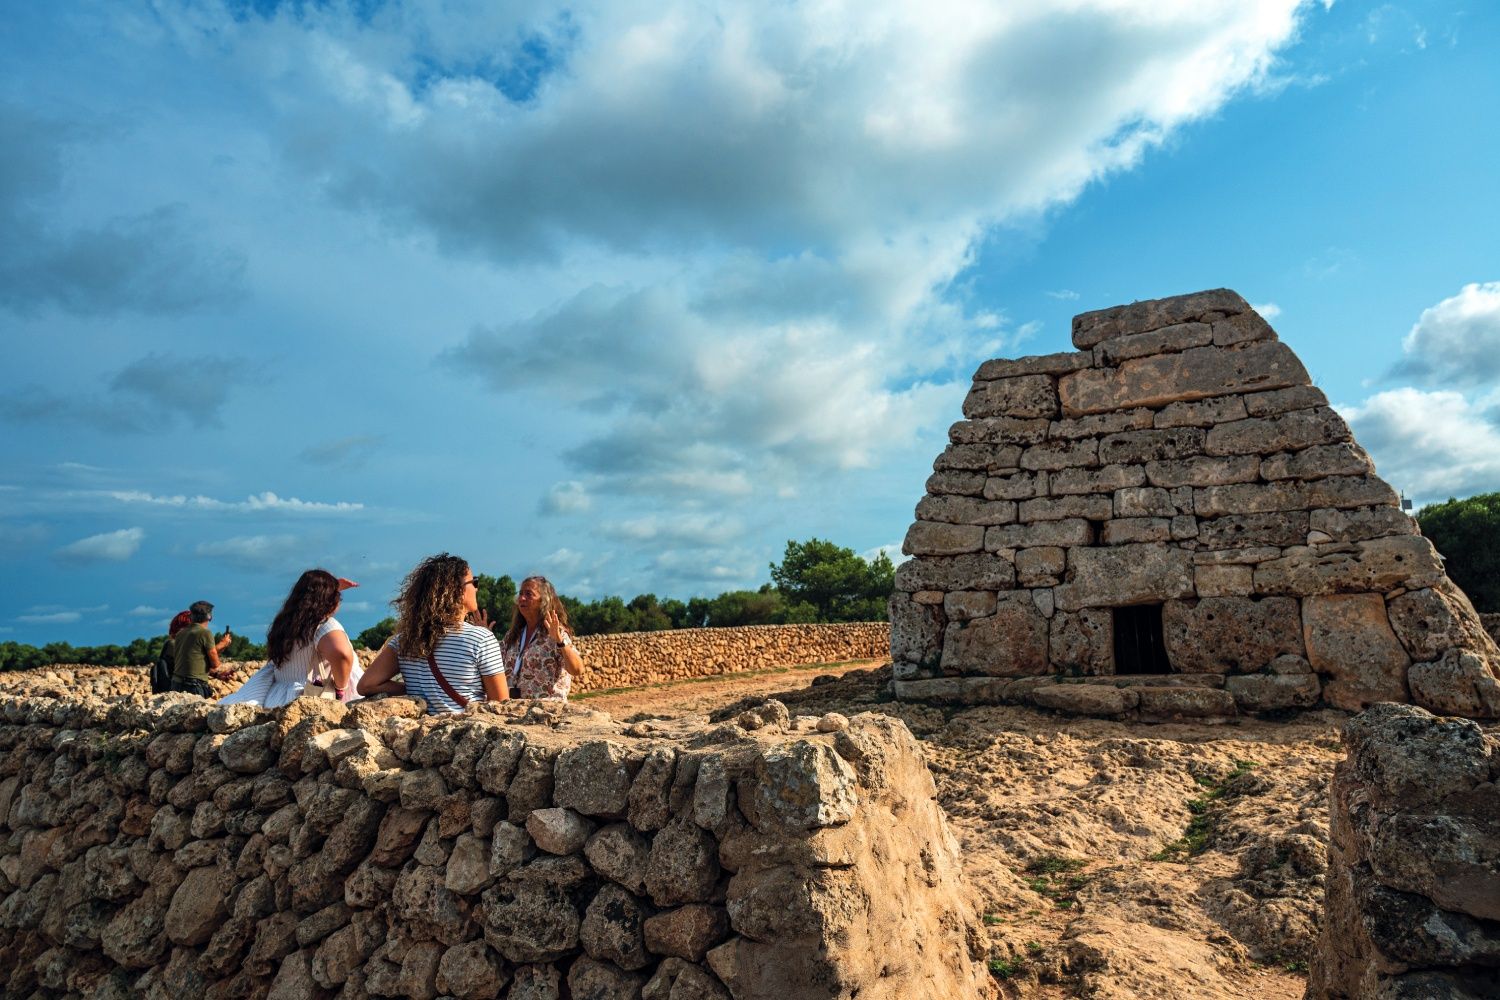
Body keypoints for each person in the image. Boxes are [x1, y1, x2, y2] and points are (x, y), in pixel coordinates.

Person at [357, 553, 509, 713]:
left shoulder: (404, 640)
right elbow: (501, 704)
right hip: (465, 731)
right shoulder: (481, 639)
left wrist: (412, 690)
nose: (477, 588)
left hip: (424, 733)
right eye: (474, 582)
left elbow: (366, 685)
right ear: (459, 591)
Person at [220, 570, 363, 707]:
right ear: (330, 600)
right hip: (311, 699)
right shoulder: (323, 625)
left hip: (277, 698)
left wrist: (330, 587)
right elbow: (342, 655)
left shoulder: (284, 624)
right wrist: (340, 688)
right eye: (338, 597)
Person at [501, 575, 583, 700]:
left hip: (546, 712)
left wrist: (560, 641)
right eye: (521, 593)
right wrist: (484, 636)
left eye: (529, 594)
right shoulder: (512, 635)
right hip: (515, 710)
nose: (522, 598)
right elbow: (494, 666)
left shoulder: (555, 632)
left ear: (544, 600)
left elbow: (577, 670)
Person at [170, 600, 233, 697]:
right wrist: (223, 644)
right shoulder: (205, 633)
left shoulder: (180, 634)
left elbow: (196, 657)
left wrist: (217, 674)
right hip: (193, 686)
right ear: (209, 617)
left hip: (176, 684)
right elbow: (215, 663)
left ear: (191, 616)